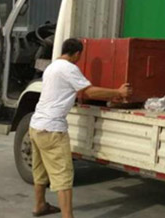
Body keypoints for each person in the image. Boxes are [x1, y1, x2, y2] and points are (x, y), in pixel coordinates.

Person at [30, 38, 132, 218]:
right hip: (52, 129)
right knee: (63, 176)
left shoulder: (52, 67)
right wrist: (118, 92)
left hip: (36, 125)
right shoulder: (69, 68)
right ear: (77, 54)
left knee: (40, 170)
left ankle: (40, 205)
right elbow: (89, 91)